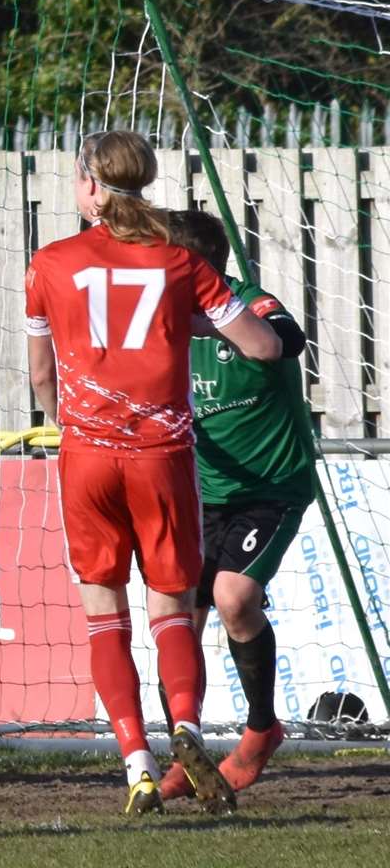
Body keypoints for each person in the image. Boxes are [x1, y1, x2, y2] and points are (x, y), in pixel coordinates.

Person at [25, 132, 281, 815]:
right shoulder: (178, 263)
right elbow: (262, 345)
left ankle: (136, 763)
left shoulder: (49, 263)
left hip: (87, 458)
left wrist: (67, 425)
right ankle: (188, 728)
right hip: (162, 459)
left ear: (89, 187)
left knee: (103, 616)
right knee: (172, 609)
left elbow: (42, 376)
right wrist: (197, 322)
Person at [157, 208, 310, 798]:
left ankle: (260, 730)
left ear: (192, 268)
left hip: (270, 488)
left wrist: (206, 326)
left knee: (233, 595)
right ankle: (185, 749)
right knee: (176, 619)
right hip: (197, 492)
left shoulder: (251, 303)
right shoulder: (156, 321)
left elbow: (287, 341)